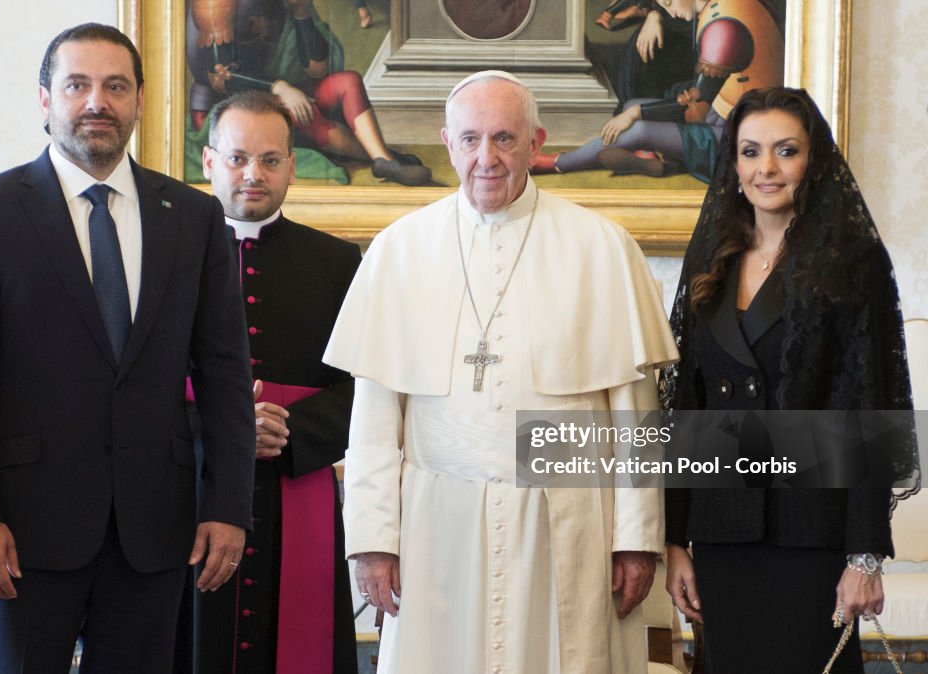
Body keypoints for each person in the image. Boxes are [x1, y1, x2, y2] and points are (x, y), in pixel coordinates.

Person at [0, 23, 255, 674]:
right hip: (18, 534)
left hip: (154, 533)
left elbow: (224, 376)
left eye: (115, 86)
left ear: (137, 100)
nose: (97, 101)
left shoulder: (191, 218)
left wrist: (227, 507)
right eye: (77, 85)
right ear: (45, 99)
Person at [323, 70, 679, 674]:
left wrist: (636, 539)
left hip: (568, 523)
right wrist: (374, 541)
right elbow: (376, 418)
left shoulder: (602, 247)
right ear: (447, 142)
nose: (486, 158)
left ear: (536, 143)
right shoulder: (399, 250)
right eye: (470, 140)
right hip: (438, 525)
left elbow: (635, 414)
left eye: (505, 139)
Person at [660, 86, 920, 673]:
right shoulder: (710, 258)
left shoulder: (854, 261)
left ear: (815, 160)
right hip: (723, 534)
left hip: (814, 535)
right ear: (734, 162)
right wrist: (675, 539)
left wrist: (865, 555)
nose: (766, 169)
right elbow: (686, 409)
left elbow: (870, 407)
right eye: (750, 152)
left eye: (786, 151)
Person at [181, 90, 361, 674]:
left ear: (292, 163)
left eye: (271, 159)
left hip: (296, 487)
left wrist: (291, 430)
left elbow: (369, 389)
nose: (253, 174)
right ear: (209, 162)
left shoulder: (337, 262)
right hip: (187, 495)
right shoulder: (166, 255)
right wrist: (226, 429)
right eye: (236, 158)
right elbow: (129, 387)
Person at [534, 0, 783, 182]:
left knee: (639, 124)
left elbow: (695, 109)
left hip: (745, 143)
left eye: (667, 1)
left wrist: (636, 116)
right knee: (633, 106)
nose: (664, 7)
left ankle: (557, 163)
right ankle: (656, 159)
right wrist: (636, 111)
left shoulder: (724, 28)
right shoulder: (715, 7)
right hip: (727, 115)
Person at [187, 0, 430, 186]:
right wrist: (280, 87)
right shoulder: (216, 5)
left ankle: (382, 158)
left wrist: (301, 13)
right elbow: (218, 76)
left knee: (348, 82)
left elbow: (317, 68)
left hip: (286, 91)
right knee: (302, 110)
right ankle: (384, 158)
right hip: (228, 106)